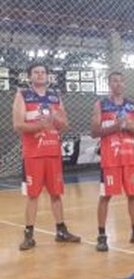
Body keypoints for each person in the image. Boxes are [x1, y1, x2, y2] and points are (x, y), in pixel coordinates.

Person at [12, 63, 81, 251]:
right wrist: (41, 125)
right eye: (36, 72)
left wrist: (54, 119)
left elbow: (64, 125)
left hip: (53, 152)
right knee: (33, 195)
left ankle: (61, 231)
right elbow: (18, 125)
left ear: (47, 76)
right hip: (33, 153)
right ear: (30, 76)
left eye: (43, 72)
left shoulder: (55, 97)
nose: (40, 75)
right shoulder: (23, 95)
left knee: (56, 194)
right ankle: (29, 235)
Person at [90, 71, 134, 252]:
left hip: (129, 157)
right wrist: (115, 126)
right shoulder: (101, 104)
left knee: (133, 195)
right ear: (109, 84)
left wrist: (132, 127)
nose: (117, 84)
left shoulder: (133, 105)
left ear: (124, 84)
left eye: (120, 81)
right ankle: (101, 236)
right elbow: (94, 131)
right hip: (110, 157)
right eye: (114, 81)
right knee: (105, 196)